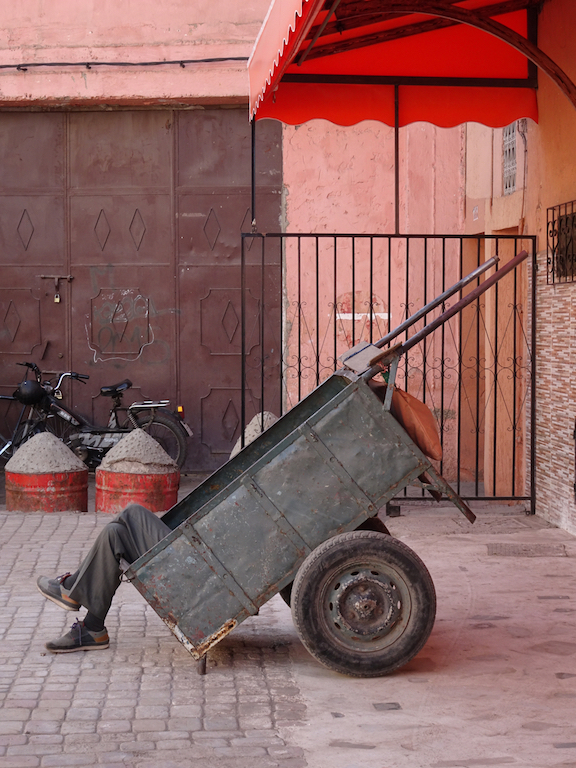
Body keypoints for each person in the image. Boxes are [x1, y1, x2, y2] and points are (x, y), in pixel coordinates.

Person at [37, 503, 170, 653]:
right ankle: (93, 628)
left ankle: (69, 588)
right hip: (194, 554)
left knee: (133, 512)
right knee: (113, 532)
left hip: (195, 565)